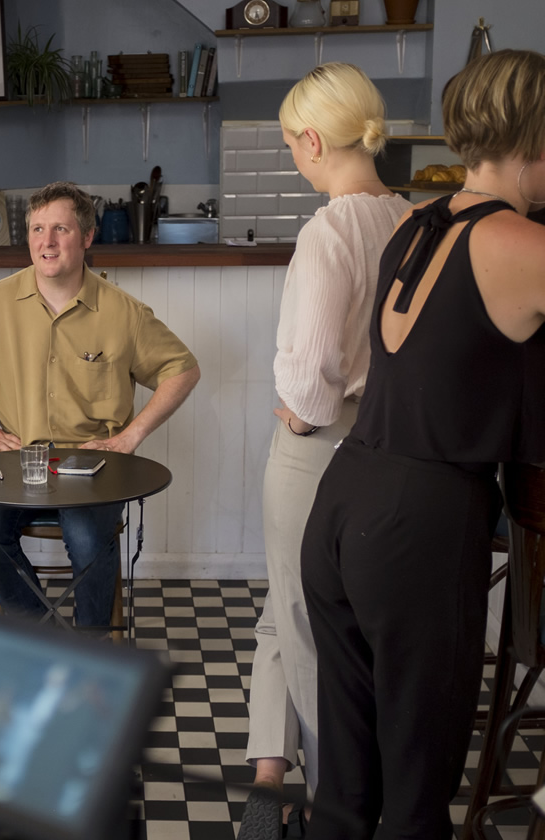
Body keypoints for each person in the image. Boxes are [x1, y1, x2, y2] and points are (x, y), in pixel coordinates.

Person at [300, 49, 545, 839]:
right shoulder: (524, 248)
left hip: (343, 505)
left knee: (347, 783)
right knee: (416, 792)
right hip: (423, 522)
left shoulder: (414, 223)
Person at [237, 64, 412, 839]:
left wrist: (302, 416)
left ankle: (332, 800)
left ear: (313, 141)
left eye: (288, 145)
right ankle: (271, 775)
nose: (291, 158)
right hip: (387, 450)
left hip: (317, 451)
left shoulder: (328, 229)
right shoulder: (411, 218)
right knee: (309, 612)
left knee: (307, 627)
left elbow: (308, 384)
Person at [0, 181, 199, 629]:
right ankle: (41, 631)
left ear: (87, 237)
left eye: (60, 229)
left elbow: (183, 370)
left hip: (94, 466)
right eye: (37, 229)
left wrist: (131, 436)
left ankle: (92, 646)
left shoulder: (124, 313)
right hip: (16, 460)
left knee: (88, 539)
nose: (46, 242)